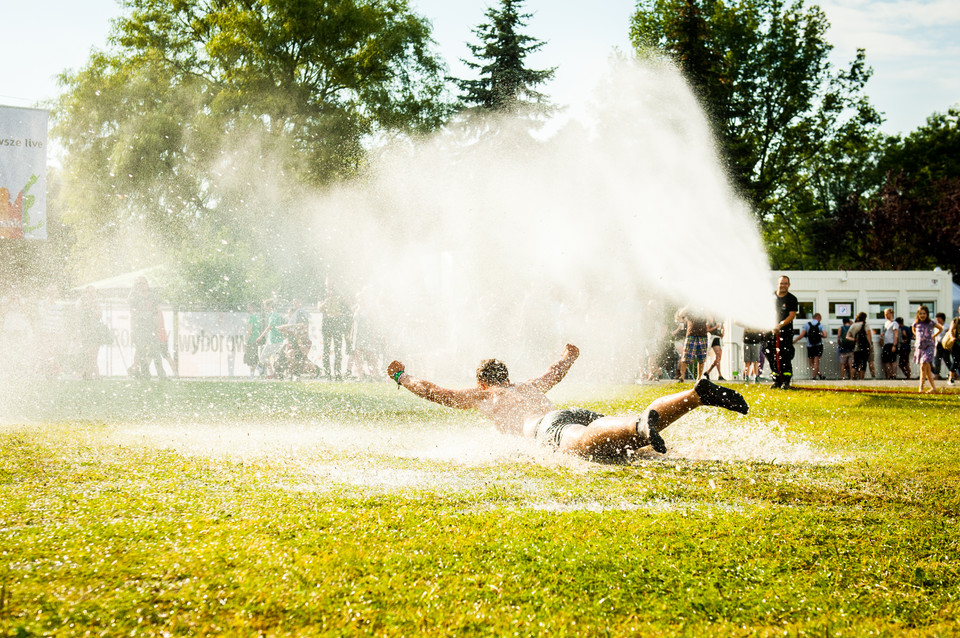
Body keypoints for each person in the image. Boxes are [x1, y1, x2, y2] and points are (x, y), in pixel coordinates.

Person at [386, 344, 748, 462]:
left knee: (602, 442)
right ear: (506, 375)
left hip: (551, 427)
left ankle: (641, 424)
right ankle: (695, 395)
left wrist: (402, 377)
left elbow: (438, 393)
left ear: (482, 381)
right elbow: (554, 373)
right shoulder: (526, 385)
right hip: (575, 413)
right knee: (631, 448)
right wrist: (569, 356)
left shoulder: (488, 394)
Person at [762, 275, 798, 389]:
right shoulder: (770, 297)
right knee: (770, 354)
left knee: (785, 355)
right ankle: (776, 380)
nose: (783, 286)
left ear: (789, 285)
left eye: (785, 283)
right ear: (777, 284)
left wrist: (780, 325)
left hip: (785, 332)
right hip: (770, 332)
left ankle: (786, 380)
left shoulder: (792, 299)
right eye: (781, 283)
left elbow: (791, 315)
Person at [128, 277, 165, 379]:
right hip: (139, 328)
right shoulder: (134, 298)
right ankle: (145, 374)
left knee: (156, 351)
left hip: (151, 327)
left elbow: (157, 312)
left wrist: (158, 327)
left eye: (143, 283)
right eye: (139, 283)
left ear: (147, 284)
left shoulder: (153, 296)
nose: (141, 285)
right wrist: (132, 330)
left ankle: (161, 374)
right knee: (141, 352)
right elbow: (133, 314)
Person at [912, 305, 942, 394]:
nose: (922, 315)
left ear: (927, 314)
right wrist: (917, 337)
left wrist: (933, 336)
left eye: (924, 313)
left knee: (923, 364)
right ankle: (933, 388)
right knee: (927, 368)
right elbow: (913, 329)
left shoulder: (931, 323)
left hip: (929, 346)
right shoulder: (916, 323)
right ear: (918, 314)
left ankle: (920, 387)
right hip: (920, 346)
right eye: (920, 313)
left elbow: (940, 328)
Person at [677, 307, 708, 382]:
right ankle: (682, 376)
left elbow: (710, 319)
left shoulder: (704, 308)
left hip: (702, 335)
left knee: (701, 358)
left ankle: (699, 378)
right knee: (686, 357)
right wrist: (690, 305)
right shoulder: (689, 308)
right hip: (691, 334)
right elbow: (680, 314)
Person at [793, 312, 827, 380]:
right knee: (816, 362)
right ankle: (817, 375)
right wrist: (820, 335)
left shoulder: (807, 325)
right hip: (818, 345)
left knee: (811, 362)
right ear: (819, 318)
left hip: (810, 345)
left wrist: (795, 341)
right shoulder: (820, 325)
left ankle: (817, 376)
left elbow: (802, 335)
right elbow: (825, 335)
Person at [845, 312, 873, 380]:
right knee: (863, 364)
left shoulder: (853, 325)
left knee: (855, 364)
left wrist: (854, 339)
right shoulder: (866, 325)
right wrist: (870, 344)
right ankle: (861, 379)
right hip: (864, 347)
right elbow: (868, 334)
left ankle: (852, 378)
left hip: (856, 347)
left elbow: (847, 336)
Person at [879, 308, 900, 380]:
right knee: (886, 360)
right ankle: (888, 376)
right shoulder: (885, 323)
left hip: (891, 344)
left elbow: (896, 334)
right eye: (885, 313)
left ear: (891, 313)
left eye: (887, 313)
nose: (885, 315)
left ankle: (893, 375)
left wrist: (894, 345)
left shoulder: (894, 323)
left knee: (893, 360)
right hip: (886, 344)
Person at [933, 312, 951, 380]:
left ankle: (953, 374)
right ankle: (937, 375)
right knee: (937, 360)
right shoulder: (936, 327)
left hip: (945, 345)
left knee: (947, 360)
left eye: (938, 318)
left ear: (942, 318)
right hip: (938, 345)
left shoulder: (947, 326)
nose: (937, 319)